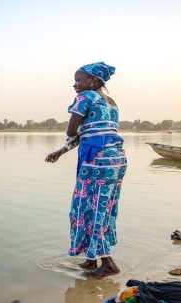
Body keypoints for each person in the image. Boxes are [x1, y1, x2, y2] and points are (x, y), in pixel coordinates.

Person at [45, 62, 128, 278]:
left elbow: (72, 130)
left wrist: (67, 139)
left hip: (97, 160)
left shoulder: (86, 97)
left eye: (78, 79)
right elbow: (94, 132)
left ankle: (108, 264)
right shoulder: (111, 102)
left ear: (92, 80)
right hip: (116, 159)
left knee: (90, 208)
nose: (75, 84)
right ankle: (92, 260)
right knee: (103, 206)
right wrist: (60, 151)